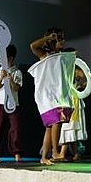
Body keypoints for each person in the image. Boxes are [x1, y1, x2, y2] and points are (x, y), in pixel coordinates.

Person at [28, 29, 76, 165]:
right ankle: (55, 152)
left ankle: (44, 157)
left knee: (50, 126)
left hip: (57, 94)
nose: (63, 41)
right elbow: (33, 46)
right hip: (47, 95)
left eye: (63, 39)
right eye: (60, 39)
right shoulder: (45, 55)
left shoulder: (61, 56)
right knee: (56, 122)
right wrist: (48, 37)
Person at [0, 43, 24, 164]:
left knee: (15, 128)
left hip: (13, 104)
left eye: (2, 57)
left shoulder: (17, 72)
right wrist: (1, 78)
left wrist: (10, 78)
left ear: (10, 58)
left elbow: (16, 88)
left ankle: (17, 153)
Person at [59, 57, 90, 161]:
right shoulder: (68, 78)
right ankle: (75, 153)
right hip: (70, 105)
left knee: (69, 128)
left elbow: (87, 79)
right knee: (68, 129)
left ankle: (63, 154)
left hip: (75, 105)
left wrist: (84, 84)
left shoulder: (74, 79)